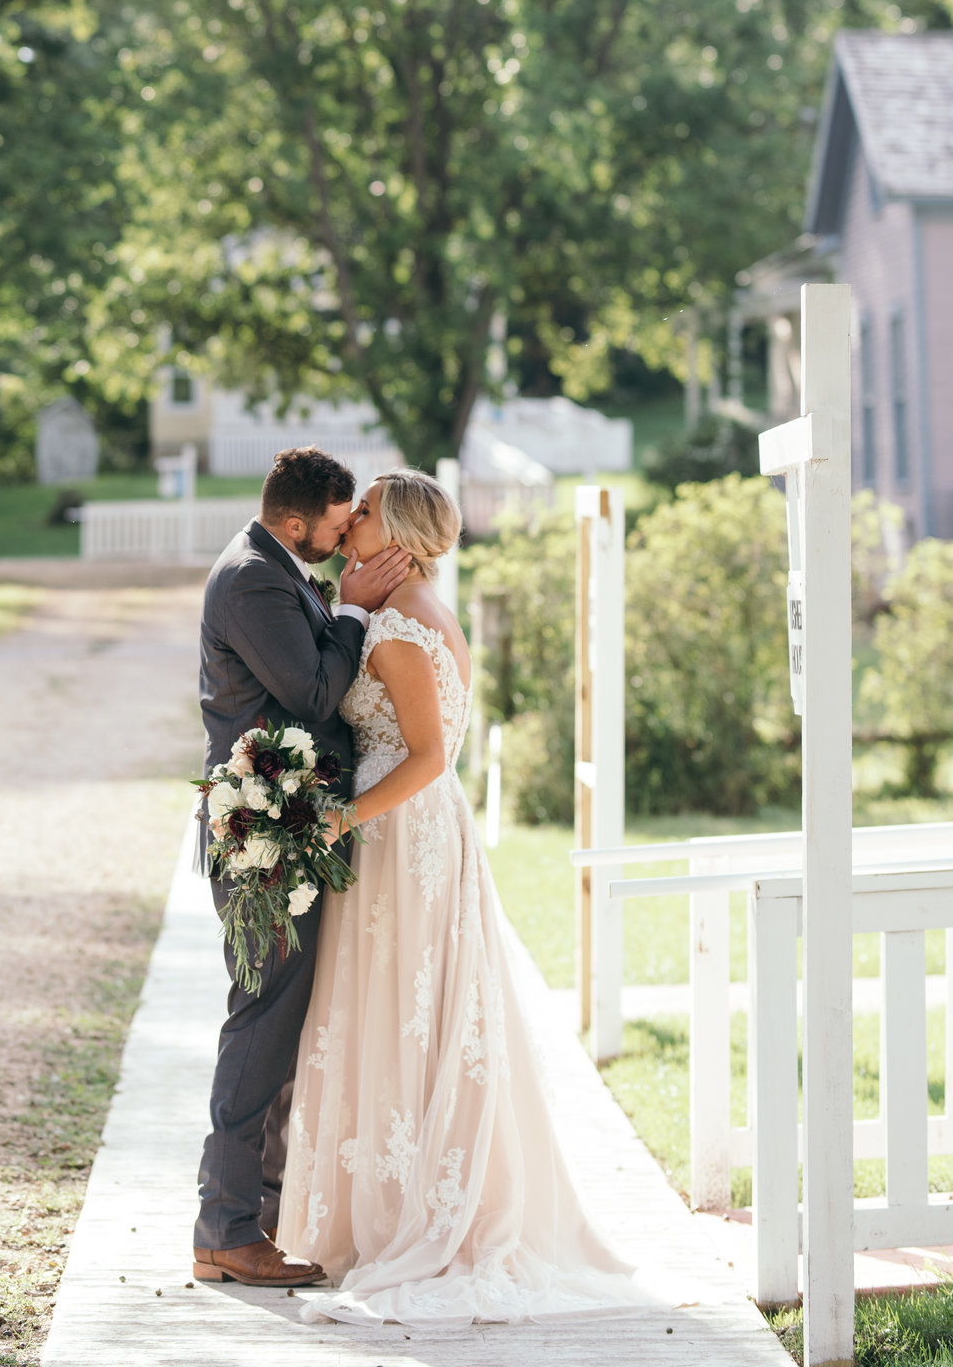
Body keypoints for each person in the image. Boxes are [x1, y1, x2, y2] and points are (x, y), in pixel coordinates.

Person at [277, 468, 634, 1325]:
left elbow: (429, 755)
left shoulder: (401, 631)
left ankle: (414, 1215)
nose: (349, 521)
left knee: (406, 1008)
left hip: (401, 833)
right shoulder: (423, 611)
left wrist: (340, 820)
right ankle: (394, 1202)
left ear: (394, 534)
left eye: (362, 512)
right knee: (411, 1010)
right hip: (415, 831)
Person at [192, 446, 411, 1290]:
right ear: (295, 524)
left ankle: (257, 1218)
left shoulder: (279, 569)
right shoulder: (252, 578)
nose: (344, 536)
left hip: (290, 833)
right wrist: (352, 611)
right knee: (261, 1023)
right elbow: (315, 694)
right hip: (263, 839)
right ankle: (226, 1227)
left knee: (281, 1028)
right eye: (334, 524)